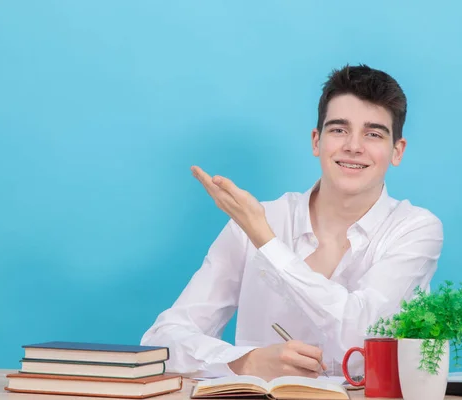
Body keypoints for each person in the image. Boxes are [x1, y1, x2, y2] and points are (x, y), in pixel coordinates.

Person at [140, 64, 444, 381]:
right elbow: (161, 340)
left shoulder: (414, 229)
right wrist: (245, 361)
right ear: (316, 141)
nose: (354, 146)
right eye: (339, 129)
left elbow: (360, 336)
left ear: (397, 150)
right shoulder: (256, 221)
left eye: (373, 134)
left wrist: (268, 244)